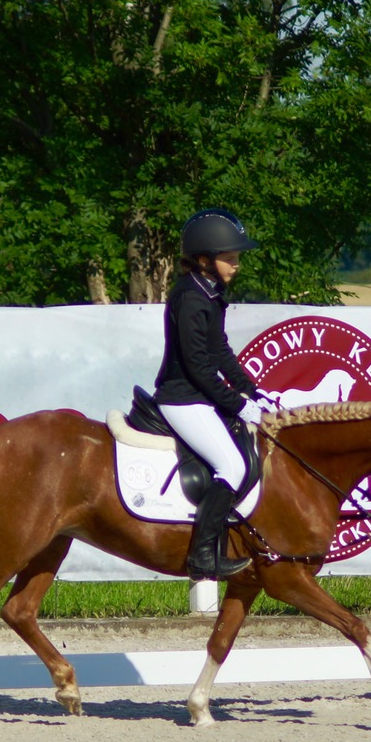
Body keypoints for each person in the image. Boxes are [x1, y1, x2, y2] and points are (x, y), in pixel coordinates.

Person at [153, 208, 274, 581]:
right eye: (230, 258)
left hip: (198, 396)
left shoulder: (209, 291)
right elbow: (199, 368)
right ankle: (203, 557)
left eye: (237, 258)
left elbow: (219, 349)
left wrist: (252, 389)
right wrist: (239, 405)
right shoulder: (191, 298)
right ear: (204, 259)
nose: (237, 265)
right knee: (233, 467)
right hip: (181, 398)